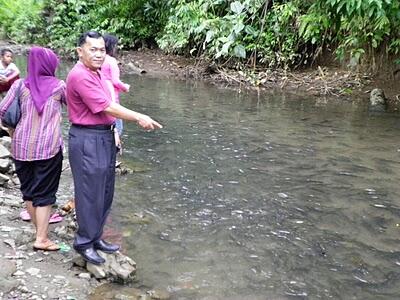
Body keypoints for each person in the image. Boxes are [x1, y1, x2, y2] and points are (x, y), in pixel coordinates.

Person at [66, 31, 162, 265]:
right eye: (93, 49)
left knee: (105, 190)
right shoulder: (80, 75)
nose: (99, 54)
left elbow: (108, 107)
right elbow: (107, 106)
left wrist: (115, 133)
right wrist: (139, 116)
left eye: (102, 50)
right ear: (80, 51)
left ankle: (96, 236)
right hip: (87, 138)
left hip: (103, 137)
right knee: (90, 192)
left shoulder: (96, 72)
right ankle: (84, 242)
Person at [0, 47, 65, 251]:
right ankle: (42, 239)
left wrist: (12, 133)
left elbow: (3, 111)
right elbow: (77, 107)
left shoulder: (19, 85)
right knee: (45, 193)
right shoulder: (59, 86)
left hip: (21, 147)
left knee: (28, 191)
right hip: (49, 148)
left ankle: (40, 231)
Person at [101, 34, 129, 153]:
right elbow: (115, 81)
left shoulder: (98, 59)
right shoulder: (111, 61)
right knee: (118, 128)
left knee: (104, 127)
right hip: (112, 99)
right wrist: (125, 87)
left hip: (100, 98)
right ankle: (112, 155)